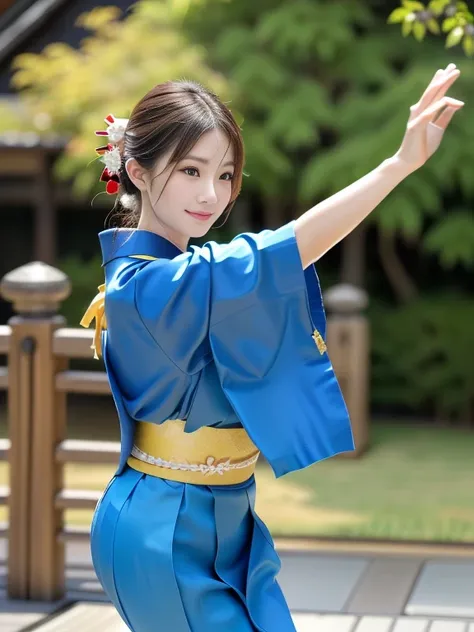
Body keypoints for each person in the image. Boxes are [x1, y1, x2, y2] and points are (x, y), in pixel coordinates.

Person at [81, 64, 463, 632]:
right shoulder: (144, 285)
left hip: (231, 517)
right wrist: (397, 165)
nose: (212, 194)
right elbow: (285, 252)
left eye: (227, 174)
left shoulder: (183, 275)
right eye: (190, 170)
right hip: (160, 530)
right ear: (136, 170)